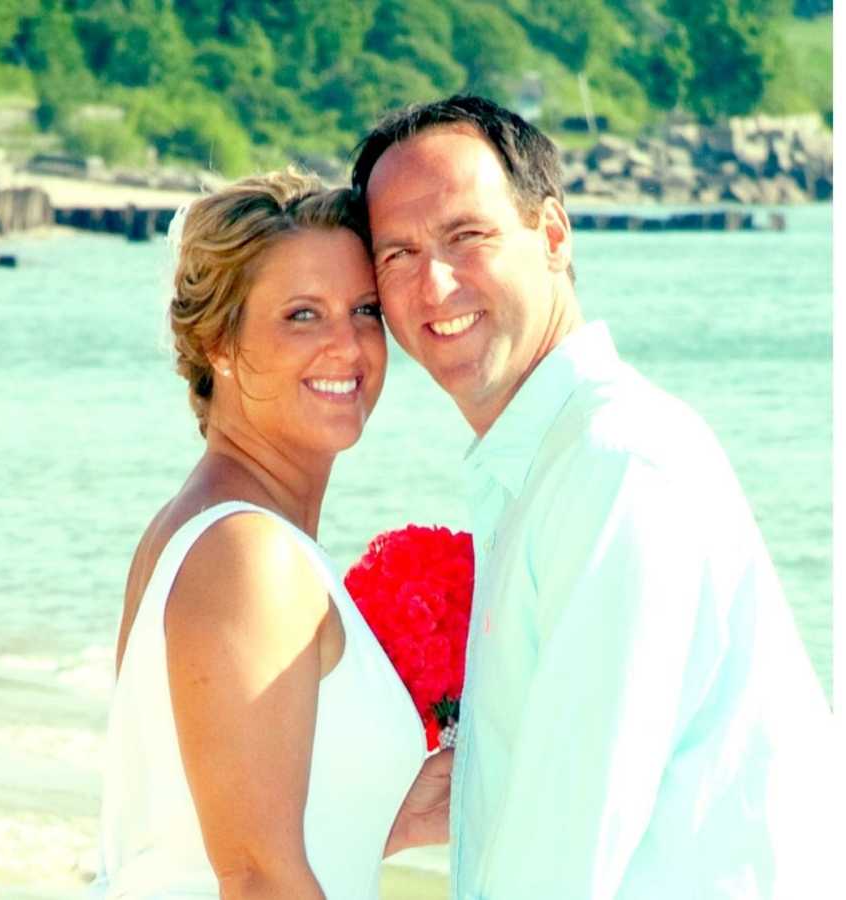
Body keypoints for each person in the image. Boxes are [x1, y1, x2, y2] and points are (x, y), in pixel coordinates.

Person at [351, 95, 839, 898]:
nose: (433, 286)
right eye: (396, 255)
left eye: (465, 236)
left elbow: (562, 862)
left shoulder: (615, 467)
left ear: (551, 236)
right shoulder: (547, 465)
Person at [89, 169, 451, 899]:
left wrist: (389, 814)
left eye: (363, 310)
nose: (348, 347)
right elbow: (258, 879)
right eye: (302, 316)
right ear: (219, 343)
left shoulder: (200, 529)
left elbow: (198, 827)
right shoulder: (247, 554)